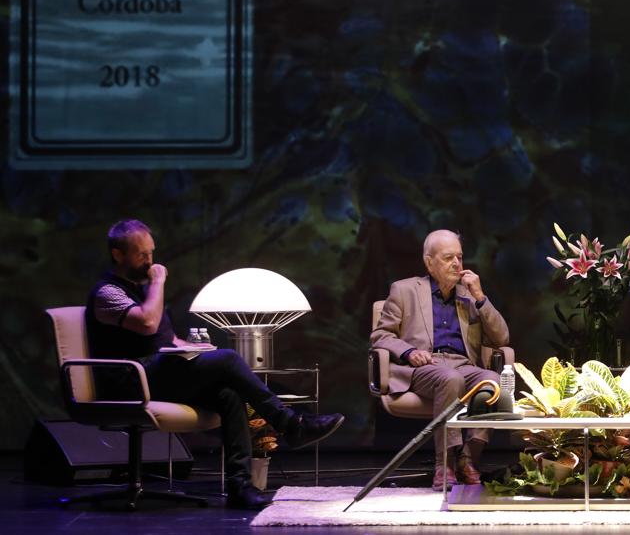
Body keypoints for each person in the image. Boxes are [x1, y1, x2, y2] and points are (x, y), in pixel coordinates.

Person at [86, 219, 345, 510]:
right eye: (141, 255)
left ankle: (239, 487)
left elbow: (166, 339)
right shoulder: (107, 292)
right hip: (127, 380)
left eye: (151, 253)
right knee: (230, 359)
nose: (150, 262)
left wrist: (195, 349)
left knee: (228, 394)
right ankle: (291, 424)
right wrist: (158, 282)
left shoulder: (144, 291)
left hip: (155, 374)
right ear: (118, 254)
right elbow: (146, 323)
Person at [370, 229, 510, 489]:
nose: (457, 264)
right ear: (429, 262)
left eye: (459, 257)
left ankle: (468, 459)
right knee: (450, 378)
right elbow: (380, 335)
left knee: (494, 380)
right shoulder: (404, 290)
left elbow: (501, 338)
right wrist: (409, 352)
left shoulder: (469, 296)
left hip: (463, 365)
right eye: (448, 258)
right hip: (426, 367)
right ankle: (444, 463)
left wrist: (480, 297)